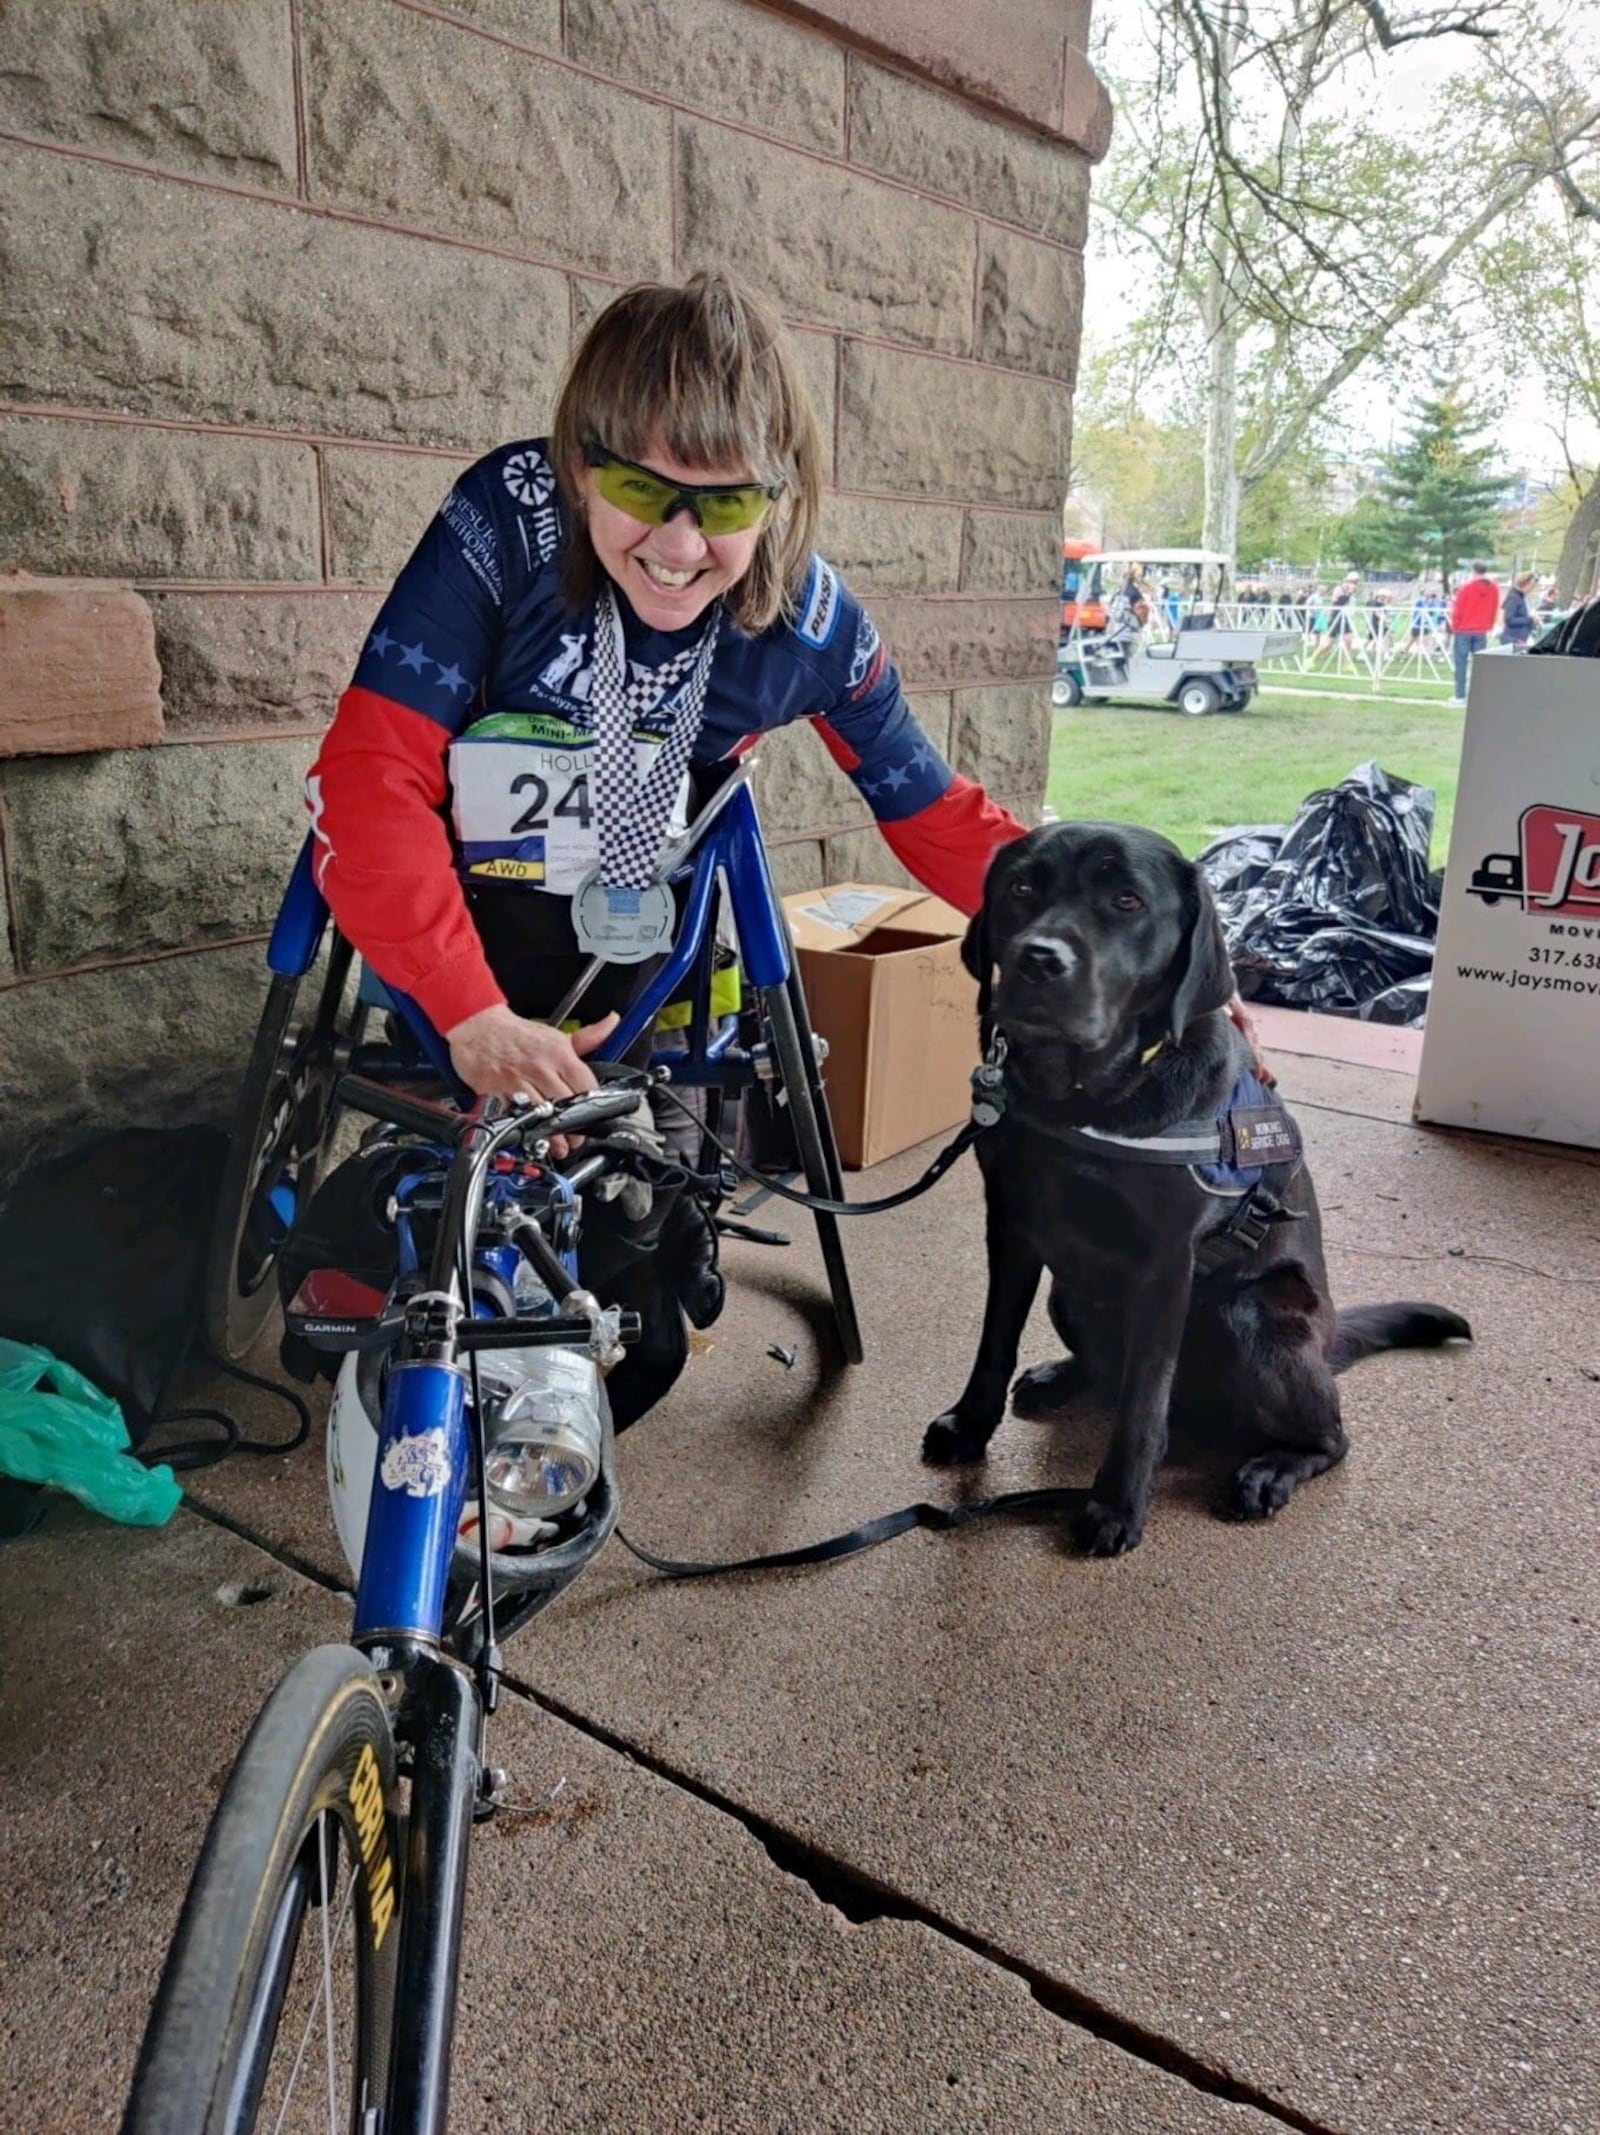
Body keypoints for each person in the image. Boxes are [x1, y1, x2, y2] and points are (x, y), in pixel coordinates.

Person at [306, 272, 1027, 1105]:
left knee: (640, 1209)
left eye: (726, 504)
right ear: (580, 468)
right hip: (471, 919)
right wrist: (473, 1016)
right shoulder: (506, 520)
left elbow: (935, 814)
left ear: (777, 499)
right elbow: (370, 773)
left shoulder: (809, 626)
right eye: (642, 489)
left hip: (638, 942)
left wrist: (1135, 945)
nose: (679, 547)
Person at [1447, 561, 1498, 703]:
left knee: (1461, 663)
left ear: (1474, 571)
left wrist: (1455, 626)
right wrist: (1489, 625)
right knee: (1479, 665)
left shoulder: (1467, 588)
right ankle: (1477, 695)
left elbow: (1458, 609)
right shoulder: (1493, 589)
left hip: (1464, 629)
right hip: (1481, 630)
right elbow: (1494, 608)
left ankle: (1460, 695)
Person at [1500, 570, 1536, 653]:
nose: (1532, 589)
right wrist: (1529, 619)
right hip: (1513, 639)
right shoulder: (1514, 598)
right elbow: (1509, 620)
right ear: (1525, 584)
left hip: (1521, 638)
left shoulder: (1523, 598)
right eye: (1531, 586)